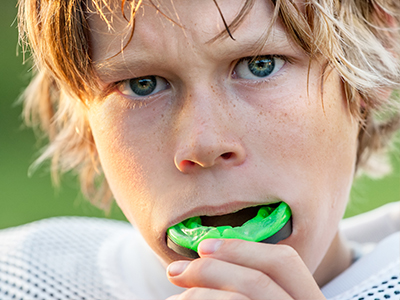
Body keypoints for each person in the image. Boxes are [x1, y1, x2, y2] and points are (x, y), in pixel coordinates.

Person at [1, 0, 399, 299]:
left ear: (380, 52)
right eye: (143, 84)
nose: (203, 144)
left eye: (259, 64)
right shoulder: (22, 280)